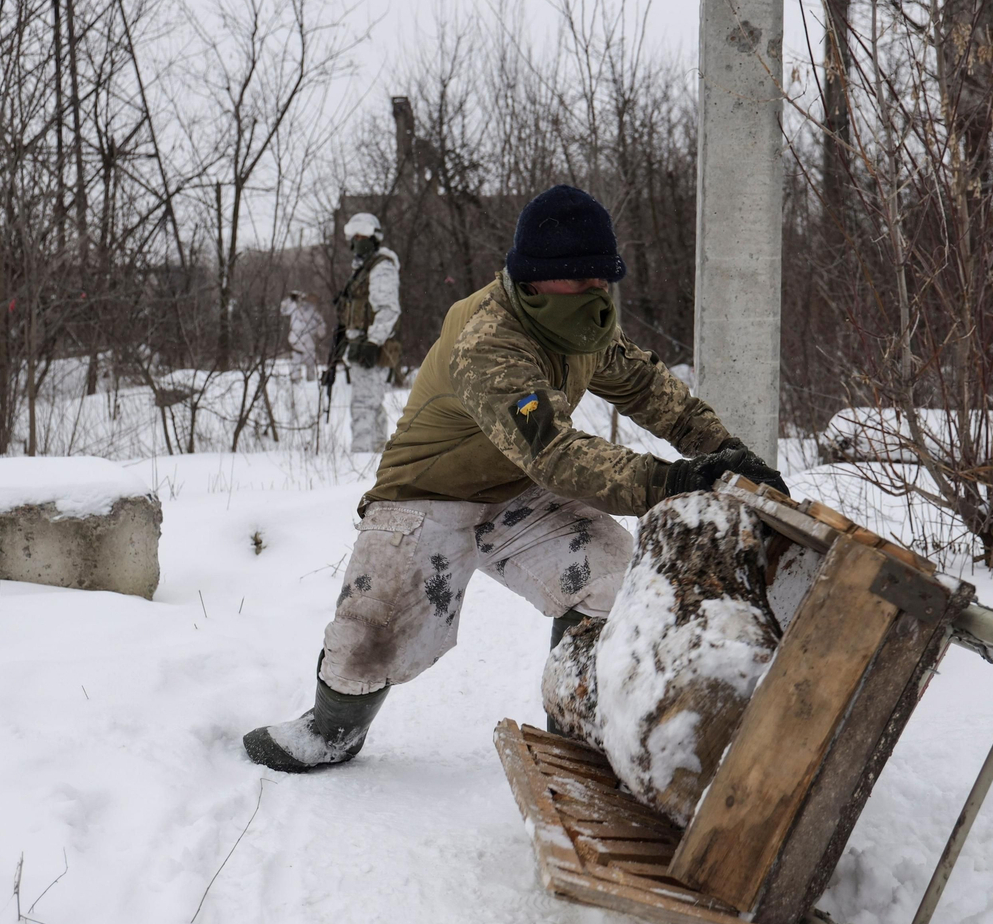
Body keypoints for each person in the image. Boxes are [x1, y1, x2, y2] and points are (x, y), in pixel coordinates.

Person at [243, 185, 786, 773]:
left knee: (612, 581)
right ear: (538, 278)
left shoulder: (585, 326)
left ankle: (577, 721)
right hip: (429, 495)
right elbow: (554, 452)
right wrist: (675, 481)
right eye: (583, 278)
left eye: (605, 278)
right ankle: (332, 730)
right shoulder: (487, 337)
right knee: (368, 637)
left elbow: (654, 393)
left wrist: (724, 452)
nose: (598, 291)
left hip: (517, 495)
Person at [336, 213, 401, 452]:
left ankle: (361, 457)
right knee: (372, 403)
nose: (358, 241)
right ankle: (377, 453)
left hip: (372, 345)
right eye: (355, 237)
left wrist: (373, 342)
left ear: (374, 238)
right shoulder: (362, 269)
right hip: (360, 343)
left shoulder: (381, 266)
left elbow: (388, 309)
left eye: (363, 236)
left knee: (364, 405)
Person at [279, 290, 325, 379]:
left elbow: (321, 323)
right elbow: (283, 310)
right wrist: (291, 299)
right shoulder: (295, 306)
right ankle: (295, 381)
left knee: (310, 363)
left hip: (309, 340)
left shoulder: (313, 310)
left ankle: (311, 382)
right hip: (296, 339)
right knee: (296, 362)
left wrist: (321, 335)